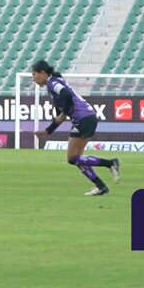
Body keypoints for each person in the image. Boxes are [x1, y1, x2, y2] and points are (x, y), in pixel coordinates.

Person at [30, 59, 120, 196]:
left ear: (42, 73)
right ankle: (101, 187)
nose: (33, 78)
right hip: (87, 117)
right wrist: (48, 131)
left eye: (34, 74)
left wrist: (63, 114)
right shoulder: (54, 82)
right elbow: (60, 115)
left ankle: (110, 163)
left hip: (83, 118)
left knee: (72, 158)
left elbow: (66, 95)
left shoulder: (53, 84)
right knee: (78, 159)